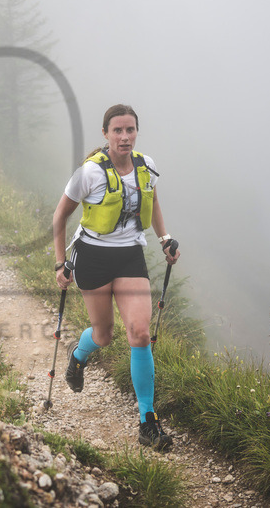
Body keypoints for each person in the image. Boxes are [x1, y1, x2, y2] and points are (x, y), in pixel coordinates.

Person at [52, 103, 180, 450]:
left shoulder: (146, 166)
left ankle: (147, 421)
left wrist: (165, 239)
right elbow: (59, 217)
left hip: (129, 256)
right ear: (106, 134)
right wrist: (61, 263)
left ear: (136, 132)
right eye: (118, 131)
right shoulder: (89, 173)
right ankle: (79, 356)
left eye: (130, 130)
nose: (125, 137)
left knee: (139, 332)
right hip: (92, 257)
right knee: (104, 335)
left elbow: (152, 203)